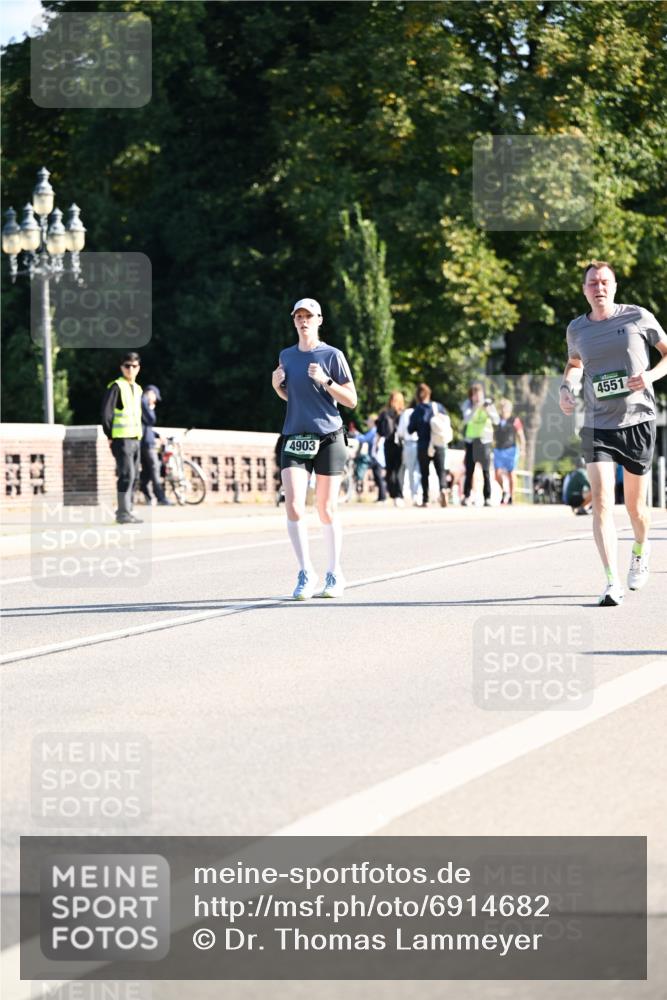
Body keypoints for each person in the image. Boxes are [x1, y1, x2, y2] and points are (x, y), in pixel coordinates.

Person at [559, 260, 667, 606]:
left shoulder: (638, 316)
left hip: (637, 420)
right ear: (584, 290)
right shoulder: (577, 329)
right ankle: (611, 581)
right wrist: (566, 387)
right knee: (603, 501)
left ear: (615, 286)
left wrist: (649, 376)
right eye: (593, 283)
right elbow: (575, 364)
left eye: (605, 281)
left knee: (636, 509)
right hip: (597, 424)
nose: (599, 287)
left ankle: (640, 547)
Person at [272, 297, 357, 599]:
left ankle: (335, 573)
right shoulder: (286, 356)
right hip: (294, 435)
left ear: (320, 320)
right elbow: (293, 397)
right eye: (299, 316)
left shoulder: (332, 355)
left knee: (325, 508)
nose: (303, 321)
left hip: (328, 436)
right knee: (294, 505)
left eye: (309, 316)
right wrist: (276, 387)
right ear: (293, 320)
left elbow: (351, 399)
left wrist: (326, 381)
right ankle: (306, 572)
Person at [101, 351, 143, 524]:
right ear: (121, 367)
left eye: (134, 366)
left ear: (138, 368)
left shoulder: (138, 389)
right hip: (121, 438)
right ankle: (123, 513)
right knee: (127, 475)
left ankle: (129, 510)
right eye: (127, 366)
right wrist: (109, 435)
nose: (130, 369)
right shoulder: (116, 386)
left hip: (135, 438)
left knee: (135, 477)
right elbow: (106, 413)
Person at [408, 382, 450, 507]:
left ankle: (425, 499)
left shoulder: (418, 410)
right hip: (438, 443)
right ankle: (443, 489)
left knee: (424, 473)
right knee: (441, 471)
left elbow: (410, 429)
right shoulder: (438, 407)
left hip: (424, 445)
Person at [460, 382, 499, 507]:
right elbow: (466, 419)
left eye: (479, 395)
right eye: (475, 395)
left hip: (485, 441)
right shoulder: (468, 405)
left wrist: (488, 409)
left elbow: (496, 420)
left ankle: (487, 497)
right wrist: (476, 407)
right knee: (469, 470)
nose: (477, 398)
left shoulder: (488, 404)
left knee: (486, 471)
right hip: (471, 441)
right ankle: (466, 496)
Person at [139, 385, 173, 506]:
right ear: (150, 393)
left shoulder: (140, 403)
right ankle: (160, 497)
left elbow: (145, 426)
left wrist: (157, 435)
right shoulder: (143, 402)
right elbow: (151, 419)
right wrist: (150, 408)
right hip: (146, 444)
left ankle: (147, 493)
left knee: (147, 471)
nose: (155, 401)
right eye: (154, 397)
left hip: (143, 442)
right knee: (155, 468)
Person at [493, 397, 526, 504]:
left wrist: (522, 448)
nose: (503, 409)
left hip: (511, 449)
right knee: (497, 474)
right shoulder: (497, 420)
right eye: (502, 407)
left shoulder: (515, 420)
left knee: (511, 473)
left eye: (506, 407)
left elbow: (521, 435)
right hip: (498, 449)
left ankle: (511, 496)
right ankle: (504, 491)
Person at [376, 391, 405, 506]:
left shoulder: (384, 413)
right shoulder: (403, 414)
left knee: (389, 470)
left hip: (388, 443)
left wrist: (377, 444)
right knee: (399, 470)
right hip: (400, 444)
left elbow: (379, 431)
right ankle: (398, 496)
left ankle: (392, 494)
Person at [397, 396, 422, 504]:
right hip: (421, 443)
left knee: (411, 470)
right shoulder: (422, 411)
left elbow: (401, 431)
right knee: (419, 470)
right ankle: (418, 494)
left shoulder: (407, 413)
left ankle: (415, 495)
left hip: (409, 443)